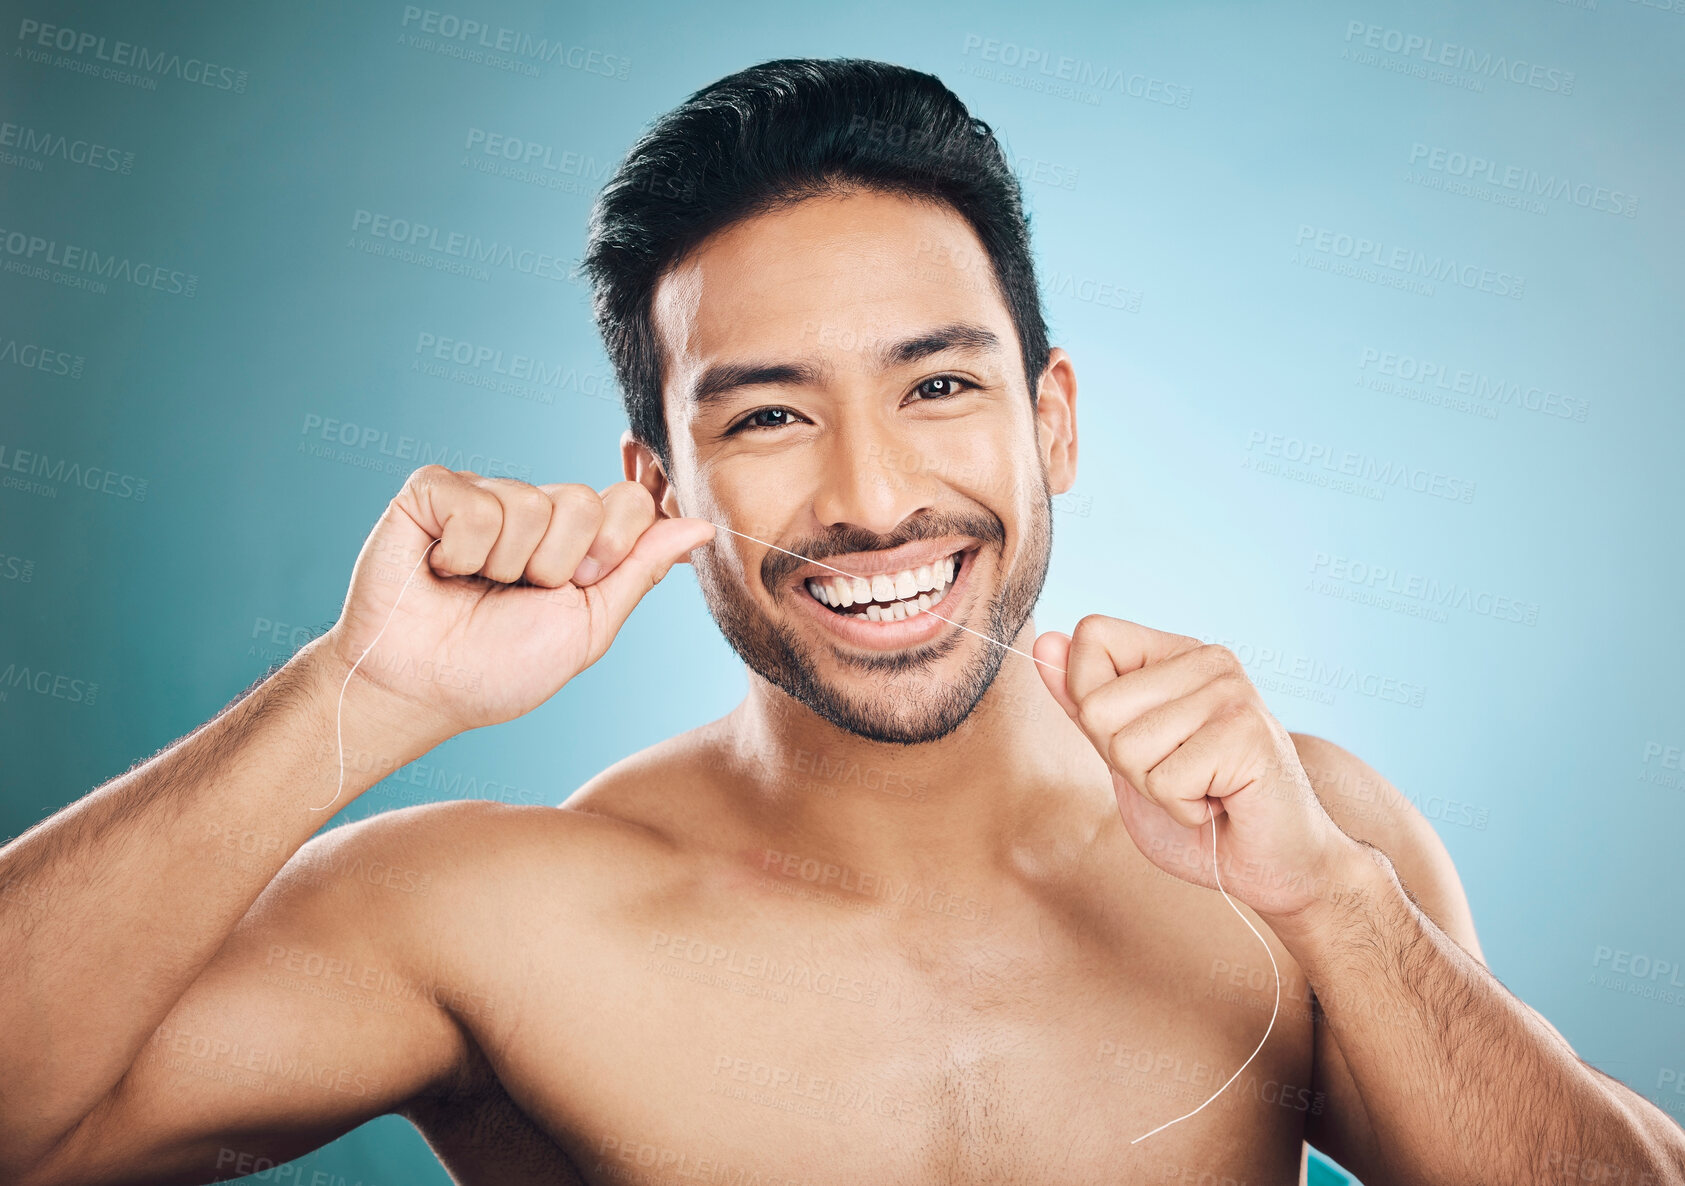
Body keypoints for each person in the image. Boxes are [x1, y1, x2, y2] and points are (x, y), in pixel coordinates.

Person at [2, 58, 1680, 1186]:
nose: (874, 497)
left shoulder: (1313, 847)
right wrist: (348, 700)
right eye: (766, 416)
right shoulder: (489, 913)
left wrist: (1336, 904)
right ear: (658, 482)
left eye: (939, 384)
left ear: (1056, 423)